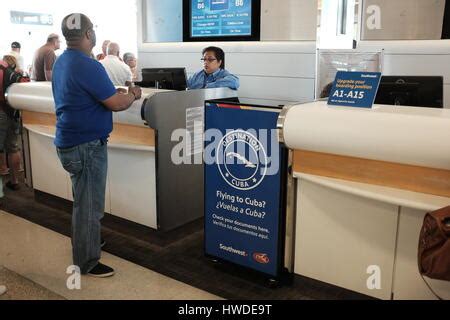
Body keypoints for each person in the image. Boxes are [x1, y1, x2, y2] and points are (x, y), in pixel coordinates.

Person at [53, 13, 142, 278]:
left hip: (69, 142)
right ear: (89, 34)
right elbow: (115, 103)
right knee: (89, 207)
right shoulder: (88, 65)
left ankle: (87, 240)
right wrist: (134, 94)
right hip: (86, 146)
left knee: (83, 202)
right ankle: (87, 261)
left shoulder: (63, 61)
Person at [0, 57, 29, 191]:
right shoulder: (12, 73)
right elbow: (26, 84)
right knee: (13, 147)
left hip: (1, 112)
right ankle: (14, 181)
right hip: (14, 112)